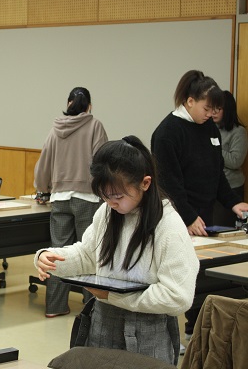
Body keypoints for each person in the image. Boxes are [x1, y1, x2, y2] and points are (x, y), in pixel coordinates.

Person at [34, 136, 199, 365]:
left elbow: (177, 297)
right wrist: (51, 258)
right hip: (103, 324)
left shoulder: (168, 225)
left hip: (147, 333)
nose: (111, 202)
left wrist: (114, 296)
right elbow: (87, 255)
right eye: (105, 196)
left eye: (118, 196)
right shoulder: (107, 213)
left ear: (145, 183)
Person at [151, 70, 248, 341]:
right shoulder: (167, 132)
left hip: (203, 218)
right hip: (177, 218)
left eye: (214, 110)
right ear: (190, 101)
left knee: (206, 277)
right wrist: (189, 217)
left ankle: (201, 330)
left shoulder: (209, 128)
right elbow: (169, 184)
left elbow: (217, 174)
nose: (210, 114)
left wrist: (233, 203)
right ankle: (187, 334)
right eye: (207, 108)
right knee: (184, 278)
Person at [33, 87, 108, 317]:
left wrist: (43, 189)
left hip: (60, 199)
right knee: (88, 253)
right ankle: (90, 308)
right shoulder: (95, 126)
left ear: (68, 104)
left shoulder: (56, 129)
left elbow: (43, 164)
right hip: (87, 198)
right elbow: (102, 163)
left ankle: (55, 307)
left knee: (57, 254)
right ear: (90, 106)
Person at [211, 91, 248, 227]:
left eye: (218, 109)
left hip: (231, 187)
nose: (213, 112)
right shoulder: (208, 129)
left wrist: (213, 148)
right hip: (210, 187)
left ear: (227, 110)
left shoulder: (238, 132)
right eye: (211, 108)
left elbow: (235, 160)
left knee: (222, 227)